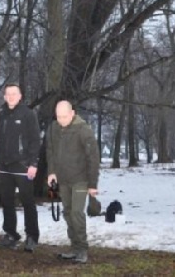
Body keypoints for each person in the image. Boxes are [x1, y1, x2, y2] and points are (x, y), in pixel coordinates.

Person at [46, 100, 100, 264]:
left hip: (80, 179)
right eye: (58, 116)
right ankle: (74, 247)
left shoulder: (83, 130)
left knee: (77, 213)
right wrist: (51, 172)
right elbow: (50, 150)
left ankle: (82, 249)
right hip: (62, 179)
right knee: (67, 213)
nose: (61, 120)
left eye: (64, 116)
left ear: (72, 113)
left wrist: (92, 184)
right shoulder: (53, 128)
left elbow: (93, 158)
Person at [0, 84, 41, 252]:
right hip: (5, 166)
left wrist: (33, 163)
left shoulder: (28, 114)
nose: (11, 97)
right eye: (8, 94)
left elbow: (35, 140)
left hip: (23, 166)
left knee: (28, 202)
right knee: (7, 201)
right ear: (4, 97)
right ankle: (11, 234)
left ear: (20, 96)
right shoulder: (2, 115)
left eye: (14, 94)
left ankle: (32, 236)